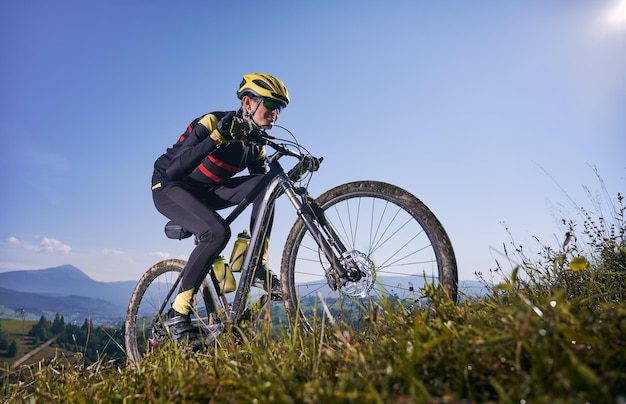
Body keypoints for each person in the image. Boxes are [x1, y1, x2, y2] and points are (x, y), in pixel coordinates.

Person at [151, 73, 289, 343]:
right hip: (169, 185)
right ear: (248, 102)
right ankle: (177, 313)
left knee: (267, 186)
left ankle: (256, 265)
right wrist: (216, 138)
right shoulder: (213, 121)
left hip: (207, 191)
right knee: (217, 232)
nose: (275, 114)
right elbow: (174, 169)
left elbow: (258, 189)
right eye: (271, 105)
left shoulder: (254, 146)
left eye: (280, 109)